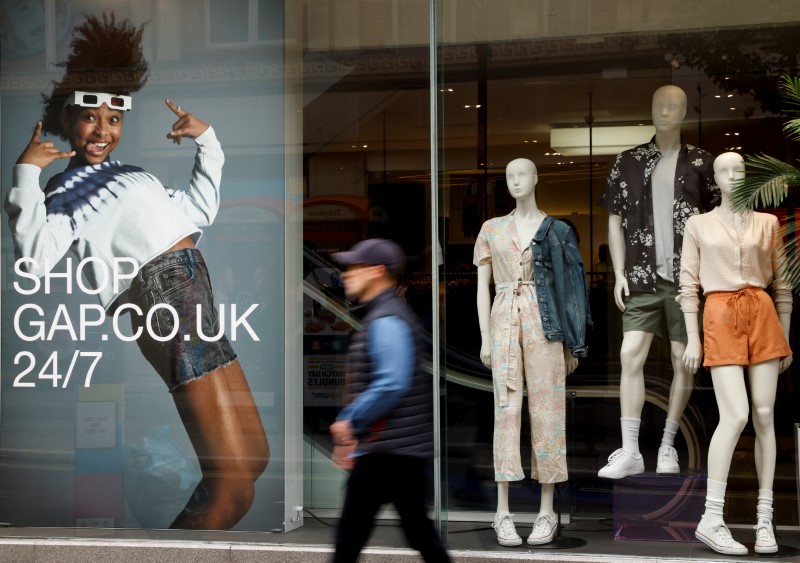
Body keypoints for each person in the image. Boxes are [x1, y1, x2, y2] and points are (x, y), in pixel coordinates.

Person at [4, 14, 268, 529]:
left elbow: (197, 212)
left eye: (114, 119)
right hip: (165, 303)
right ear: (68, 119)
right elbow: (35, 258)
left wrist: (206, 140)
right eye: (90, 118)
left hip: (196, 296)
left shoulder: (134, 175)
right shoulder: (64, 191)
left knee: (254, 459)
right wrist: (27, 173)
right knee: (234, 490)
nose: (102, 130)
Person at [598, 85, 718, 478]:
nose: (664, 112)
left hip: (687, 279)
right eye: (658, 105)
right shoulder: (627, 162)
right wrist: (618, 273)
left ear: (685, 112)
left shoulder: (702, 162)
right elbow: (614, 222)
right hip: (641, 276)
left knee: (683, 361)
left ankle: (668, 445)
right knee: (630, 354)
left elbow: (718, 223)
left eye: (673, 106)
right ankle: (630, 449)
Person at [678, 152, 792, 555]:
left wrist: (785, 338)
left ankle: (765, 519)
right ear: (714, 179)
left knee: (764, 414)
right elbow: (688, 285)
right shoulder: (699, 224)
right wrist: (693, 338)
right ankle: (711, 517)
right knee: (736, 414)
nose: (731, 175)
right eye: (724, 170)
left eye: (739, 169)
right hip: (720, 314)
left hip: (762, 315)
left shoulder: (768, 224)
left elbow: (782, 286)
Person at [474, 158, 588, 547]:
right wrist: (486, 338)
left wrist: (573, 342)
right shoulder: (492, 228)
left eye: (522, 174)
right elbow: (482, 286)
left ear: (537, 178)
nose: (515, 181)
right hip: (504, 317)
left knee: (548, 411)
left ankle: (546, 511)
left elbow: (572, 288)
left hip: (546, 322)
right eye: (509, 176)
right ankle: (502, 513)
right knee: (505, 412)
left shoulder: (556, 231)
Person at [329, 238, 450, 563]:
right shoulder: (384, 314)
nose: (346, 275)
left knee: (350, 537)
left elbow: (391, 382)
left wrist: (350, 421)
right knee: (418, 534)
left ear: (377, 271)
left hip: (387, 451)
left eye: (354, 267)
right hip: (397, 450)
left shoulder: (385, 319)